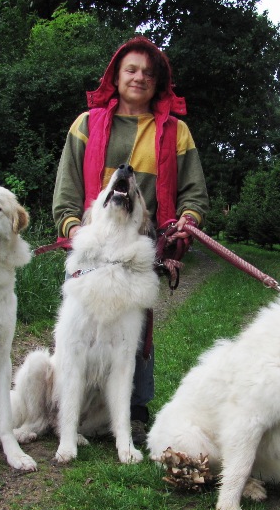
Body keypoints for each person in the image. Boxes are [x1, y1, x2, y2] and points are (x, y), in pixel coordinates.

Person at [52, 35, 209, 445]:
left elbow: (194, 192)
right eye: (131, 70)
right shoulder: (85, 125)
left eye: (148, 73)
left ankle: (135, 410)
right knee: (82, 325)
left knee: (135, 323)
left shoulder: (177, 132)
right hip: (95, 240)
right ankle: (74, 408)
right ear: (116, 76)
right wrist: (72, 227)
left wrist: (185, 222)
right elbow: (67, 188)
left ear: (159, 83)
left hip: (142, 241)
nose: (139, 78)